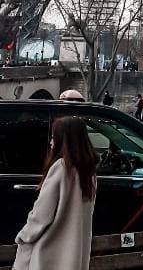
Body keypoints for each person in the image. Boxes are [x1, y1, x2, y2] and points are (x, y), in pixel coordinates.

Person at [13, 115, 99, 270]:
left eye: (54, 137)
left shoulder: (61, 168)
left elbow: (41, 215)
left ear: (64, 140)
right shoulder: (88, 173)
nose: (51, 142)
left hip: (49, 256)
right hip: (74, 256)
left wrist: (24, 236)